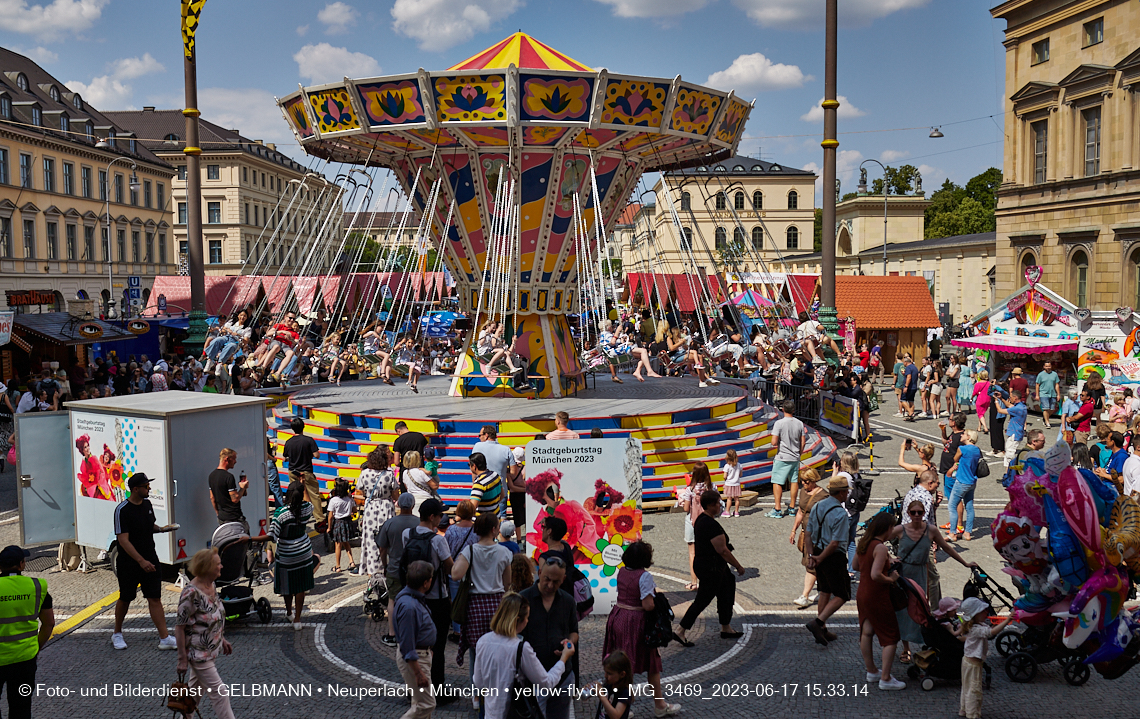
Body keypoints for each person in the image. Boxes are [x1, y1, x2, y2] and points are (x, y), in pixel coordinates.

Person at [890, 499, 979, 662]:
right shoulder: (900, 529)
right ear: (908, 514)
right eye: (913, 512)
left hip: (920, 573)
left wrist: (965, 563)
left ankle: (925, 643)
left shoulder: (930, 530)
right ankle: (906, 648)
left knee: (920, 610)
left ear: (924, 513)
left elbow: (947, 548)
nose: (916, 515)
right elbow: (877, 541)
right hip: (903, 573)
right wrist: (889, 559)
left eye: (919, 512)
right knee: (903, 611)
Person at [602, 541, 681, 717]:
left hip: (618, 617)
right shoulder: (644, 577)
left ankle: (621, 705)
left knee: (621, 662)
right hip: (635, 623)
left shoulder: (622, 571)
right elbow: (647, 605)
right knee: (651, 664)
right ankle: (659, 705)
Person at [473, 593, 576, 719]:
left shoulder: (483, 641)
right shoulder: (520, 648)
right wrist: (563, 659)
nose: (528, 621)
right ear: (517, 620)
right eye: (527, 617)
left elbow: (478, 682)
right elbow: (546, 683)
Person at [111, 473, 178, 651]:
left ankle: (164, 638)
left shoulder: (147, 504)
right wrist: (141, 561)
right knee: (125, 597)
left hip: (150, 556)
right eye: (146, 486)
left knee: (154, 597)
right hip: (129, 562)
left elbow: (149, 526)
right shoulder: (122, 510)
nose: (149, 489)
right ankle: (117, 633)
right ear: (135, 489)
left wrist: (162, 529)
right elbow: (123, 540)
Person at [675, 490, 746, 644]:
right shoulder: (710, 524)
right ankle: (681, 630)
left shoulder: (701, 519)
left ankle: (726, 627)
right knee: (702, 600)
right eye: (718, 503)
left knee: (726, 591)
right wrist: (738, 566)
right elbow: (723, 550)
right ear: (710, 505)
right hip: (712, 568)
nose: (720, 506)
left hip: (711, 566)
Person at [452, 512, 513, 682]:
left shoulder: (470, 550)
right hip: (497, 604)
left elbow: (456, 574)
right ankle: (496, 685)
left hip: (475, 605)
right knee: (498, 648)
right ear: (494, 529)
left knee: (476, 650)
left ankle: (477, 690)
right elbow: (507, 583)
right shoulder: (504, 552)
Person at [401, 498, 454, 693]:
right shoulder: (437, 540)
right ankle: (438, 688)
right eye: (440, 515)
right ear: (432, 517)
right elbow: (450, 567)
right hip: (437, 598)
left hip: (414, 596)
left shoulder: (407, 534)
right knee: (437, 647)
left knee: (414, 643)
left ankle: (414, 687)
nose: (442, 518)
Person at [174, 548, 234, 719]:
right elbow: (179, 627)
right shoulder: (191, 593)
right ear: (207, 568)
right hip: (198, 654)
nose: (221, 566)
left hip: (209, 650)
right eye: (218, 564)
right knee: (220, 694)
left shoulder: (211, 585)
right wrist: (182, 659)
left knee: (193, 695)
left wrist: (221, 638)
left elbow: (214, 616)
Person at [520, 558, 580, 719]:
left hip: (562, 676)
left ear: (563, 579)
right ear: (539, 573)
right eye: (547, 579)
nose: (550, 585)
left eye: (556, 581)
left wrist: (569, 643)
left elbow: (574, 632)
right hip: (531, 677)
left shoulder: (568, 601)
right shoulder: (523, 599)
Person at [0, 545, 54, 719]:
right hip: (25, 659)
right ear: (22, 564)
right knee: (21, 708)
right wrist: (36, 648)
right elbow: (49, 624)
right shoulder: (37, 586)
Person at [855, 512, 906, 691]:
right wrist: (891, 578)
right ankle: (885, 678)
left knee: (867, 632)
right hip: (877, 594)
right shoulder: (881, 547)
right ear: (887, 528)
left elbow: (855, 566)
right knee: (891, 637)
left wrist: (884, 560)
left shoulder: (864, 542)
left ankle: (872, 671)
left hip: (862, 593)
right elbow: (876, 575)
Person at [804, 476, 850, 646]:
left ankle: (822, 629)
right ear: (841, 493)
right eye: (846, 491)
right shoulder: (840, 514)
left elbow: (808, 533)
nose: (847, 494)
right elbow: (835, 543)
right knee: (843, 594)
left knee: (825, 590)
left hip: (817, 550)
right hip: (833, 556)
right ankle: (818, 622)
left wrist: (812, 556)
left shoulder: (817, 506)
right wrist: (821, 557)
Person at [952, 597, 1014, 719]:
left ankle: (964, 709)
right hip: (974, 664)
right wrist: (1007, 620)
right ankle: (972, 714)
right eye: (983, 611)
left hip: (968, 662)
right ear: (975, 615)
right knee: (974, 689)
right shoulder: (977, 629)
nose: (986, 612)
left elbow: (987, 630)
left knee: (967, 687)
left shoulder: (975, 626)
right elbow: (991, 632)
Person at [269, 481, 319, 630]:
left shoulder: (280, 513)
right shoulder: (307, 508)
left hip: (286, 554)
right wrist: (304, 488)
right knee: (300, 587)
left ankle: (289, 612)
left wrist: (250, 539)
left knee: (287, 585)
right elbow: (309, 502)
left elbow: (272, 536)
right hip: (304, 552)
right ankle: (297, 619)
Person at [394, 560, 439, 719]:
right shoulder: (409, 606)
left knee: (420, 702)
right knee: (426, 704)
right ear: (426, 583)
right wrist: (418, 672)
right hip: (416, 659)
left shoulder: (409, 598)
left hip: (421, 655)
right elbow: (407, 644)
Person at [377, 493, 422, 647]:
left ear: (399, 505)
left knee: (393, 600)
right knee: (416, 600)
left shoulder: (390, 524)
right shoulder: (419, 523)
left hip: (395, 568)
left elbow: (382, 548)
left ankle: (392, 634)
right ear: (413, 505)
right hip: (416, 569)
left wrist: (385, 565)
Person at [357, 447, 399, 578]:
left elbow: (360, 492)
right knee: (387, 539)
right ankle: (386, 567)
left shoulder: (364, 473)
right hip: (386, 506)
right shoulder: (389, 474)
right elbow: (395, 494)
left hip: (371, 507)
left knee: (370, 539)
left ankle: (371, 571)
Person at [790, 468, 826, 608]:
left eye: (806, 481)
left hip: (817, 536)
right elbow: (800, 511)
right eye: (802, 481)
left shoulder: (823, 496)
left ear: (813, 480)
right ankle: (823, 591)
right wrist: (794, 530)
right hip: (806, 534)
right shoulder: (803, 492)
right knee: (816, 564)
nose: (804, 484)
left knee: (811, 565)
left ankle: (804, 596)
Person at [283, 417, 324, 525]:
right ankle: (319, 519)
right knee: (314, 495)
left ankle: (295, 516)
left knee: (295, 494)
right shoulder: (309, 440)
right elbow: (317, 455)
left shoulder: (288, 442)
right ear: (303, 427)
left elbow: (285, 457)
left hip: (293, 472)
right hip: (306, 472)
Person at [946, 430, 984, 541]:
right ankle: (967, 532)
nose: (962, 435)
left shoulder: (962, 449)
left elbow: (955, 459)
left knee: (952, 506)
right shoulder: (977, 450)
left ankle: (953, 533)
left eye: (964, 434)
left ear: (968, 437)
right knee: (969, 507)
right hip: (972, 481)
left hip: (962, 481)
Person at [680, 465, 713, 590]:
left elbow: (686, 508)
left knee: (692, 553)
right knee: (707, 552)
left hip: (692, 522)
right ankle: (708, 580)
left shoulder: (690, 489)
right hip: (707, 523)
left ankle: (694, 582)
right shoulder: (711, 488)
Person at [768, 400, 803, 517]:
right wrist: (799, 453)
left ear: (783, 409)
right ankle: (792, 507)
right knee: (794, 481)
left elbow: (774, 442)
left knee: (777, 481)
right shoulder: (799, 423)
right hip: (795, 456)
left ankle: (777, 508)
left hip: (782, 456)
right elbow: (803, 441)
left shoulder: (779, 423)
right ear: (793, 410)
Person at [938, 414, 967, 536]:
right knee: (950, 498)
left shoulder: (961, 437)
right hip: (947, 470)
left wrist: (953, 469)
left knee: (956, 498)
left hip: (953, 472)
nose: (948, 421)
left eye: (949, 419)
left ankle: (959, 525)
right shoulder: (954, 434)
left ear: (954, 422)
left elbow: (963, 455)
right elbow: (946, 444)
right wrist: (943, 431)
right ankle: (953, 522)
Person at [208, 448, 247, 530]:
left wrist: (218, 513)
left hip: (222, 518)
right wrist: (242, 488)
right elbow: (235, 499)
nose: (235, 462)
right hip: (234, 518)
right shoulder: (228, 477)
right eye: (234, 459)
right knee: (243, 537)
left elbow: (212, 497)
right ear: (227, 459)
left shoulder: (212, 476)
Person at [592, 651, 635, 719]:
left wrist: (602, 697)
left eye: (609, 673)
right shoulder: (608, 685)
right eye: (605, 672)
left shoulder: (625, 693)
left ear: (622, 674)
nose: (605, 676)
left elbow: (616, 716)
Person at [328, 479, 357, 572]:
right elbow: (355, 510)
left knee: (338, 544)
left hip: (338, 522)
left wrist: (329, 527)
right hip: (347, 521)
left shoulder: (333, 500)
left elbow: (330, 516)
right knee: (346, 542)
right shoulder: (349, 499)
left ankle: (338, 566)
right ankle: (351, 561)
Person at [994, 389, 1028, 468]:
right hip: (1018, 433)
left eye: (1011, 397)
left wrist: (996, 401)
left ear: (1015, 397)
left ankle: (1009, 473)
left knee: (1009, 457)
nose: (1010, 398)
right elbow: (1009, 405)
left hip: (1014, 434)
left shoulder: (1017, 409)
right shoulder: (1022, 406)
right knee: (1010, 454)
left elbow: (1000, 410)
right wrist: (1001, 398)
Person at [1036, 361, 1060, 429]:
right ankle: (1047, 422)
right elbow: (1037, 385)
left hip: (1052, 393)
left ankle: (1045, 418)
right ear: (1044, 367)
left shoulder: (1054, 374)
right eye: (1046, 366)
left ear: (1051, 366)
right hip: (1043, 393)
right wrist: (1037, 395)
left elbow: (1057, 384)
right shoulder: (1040, 375)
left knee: (1052, 409)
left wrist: (1058, 394)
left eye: (1049, 366)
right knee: (1045, 408)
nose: (1048, 367)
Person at [720, 449, 742, 518]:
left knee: (729, 498)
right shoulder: (739, 465)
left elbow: (724, 476)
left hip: (729, 483)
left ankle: (727, 511)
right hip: (736, 484)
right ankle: (736, 512)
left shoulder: (727, 466)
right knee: (736, 499)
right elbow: (740, 475)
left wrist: (726, 479)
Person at [900, 355, 919, 421]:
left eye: (903, 362)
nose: (903, 363)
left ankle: (910, 413)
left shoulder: (908, 368)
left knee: (902, 400)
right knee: (911, 401)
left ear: (906, 362)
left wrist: (906, 386)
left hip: (909, 387)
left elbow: (909, 377)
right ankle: (910, 417)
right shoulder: (915, 367)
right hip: (914, 387)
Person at [971, 370, 991, 434]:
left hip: (980, 399)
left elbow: (974, 393)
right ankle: (979, 427)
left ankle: (985, 427)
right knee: (982, 413)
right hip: (987, 399)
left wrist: (971, 398)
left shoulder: (978, 384)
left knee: (980, 414)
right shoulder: (989, 383)